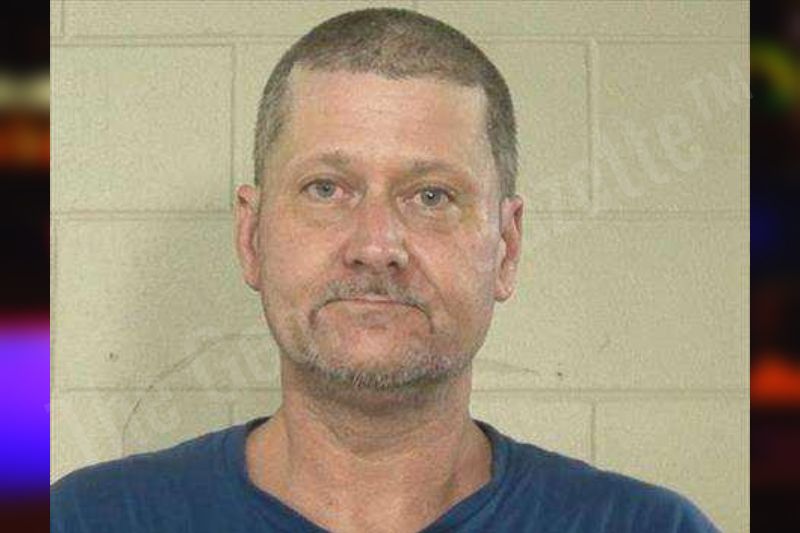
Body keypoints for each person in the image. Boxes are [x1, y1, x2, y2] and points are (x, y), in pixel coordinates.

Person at [51, 8, 720, 532]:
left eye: (431, 196)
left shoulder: (647, 526)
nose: (376, 246)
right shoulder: (87, 520)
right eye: (326, 188)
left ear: (506, 248)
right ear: (251, 236)